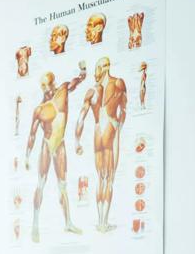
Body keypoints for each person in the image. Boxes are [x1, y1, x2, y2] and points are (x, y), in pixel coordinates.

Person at [24, 62, 87, 242]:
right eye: (43, 86)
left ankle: (68, 222)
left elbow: (79, 80)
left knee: (63, 185)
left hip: (60, 144)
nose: (47, 88)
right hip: (46, 144)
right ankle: (35, 225)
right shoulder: (40, 110)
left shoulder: (63, 91)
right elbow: (32, 134)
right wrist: (27, 156)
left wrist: (83, 70)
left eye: (49, 84)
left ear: (54, 82)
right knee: (41, 184)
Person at [76, 57, 128, 233]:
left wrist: (77, 141)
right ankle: (104, 223)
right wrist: (119, 126)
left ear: (101, 69)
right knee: (110, 178)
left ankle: (100, 221)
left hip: (97, 132)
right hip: (111, 127)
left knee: (100, 178)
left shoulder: (91, 92)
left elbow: (81, 118)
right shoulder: (119, 83)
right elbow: (124, 110)